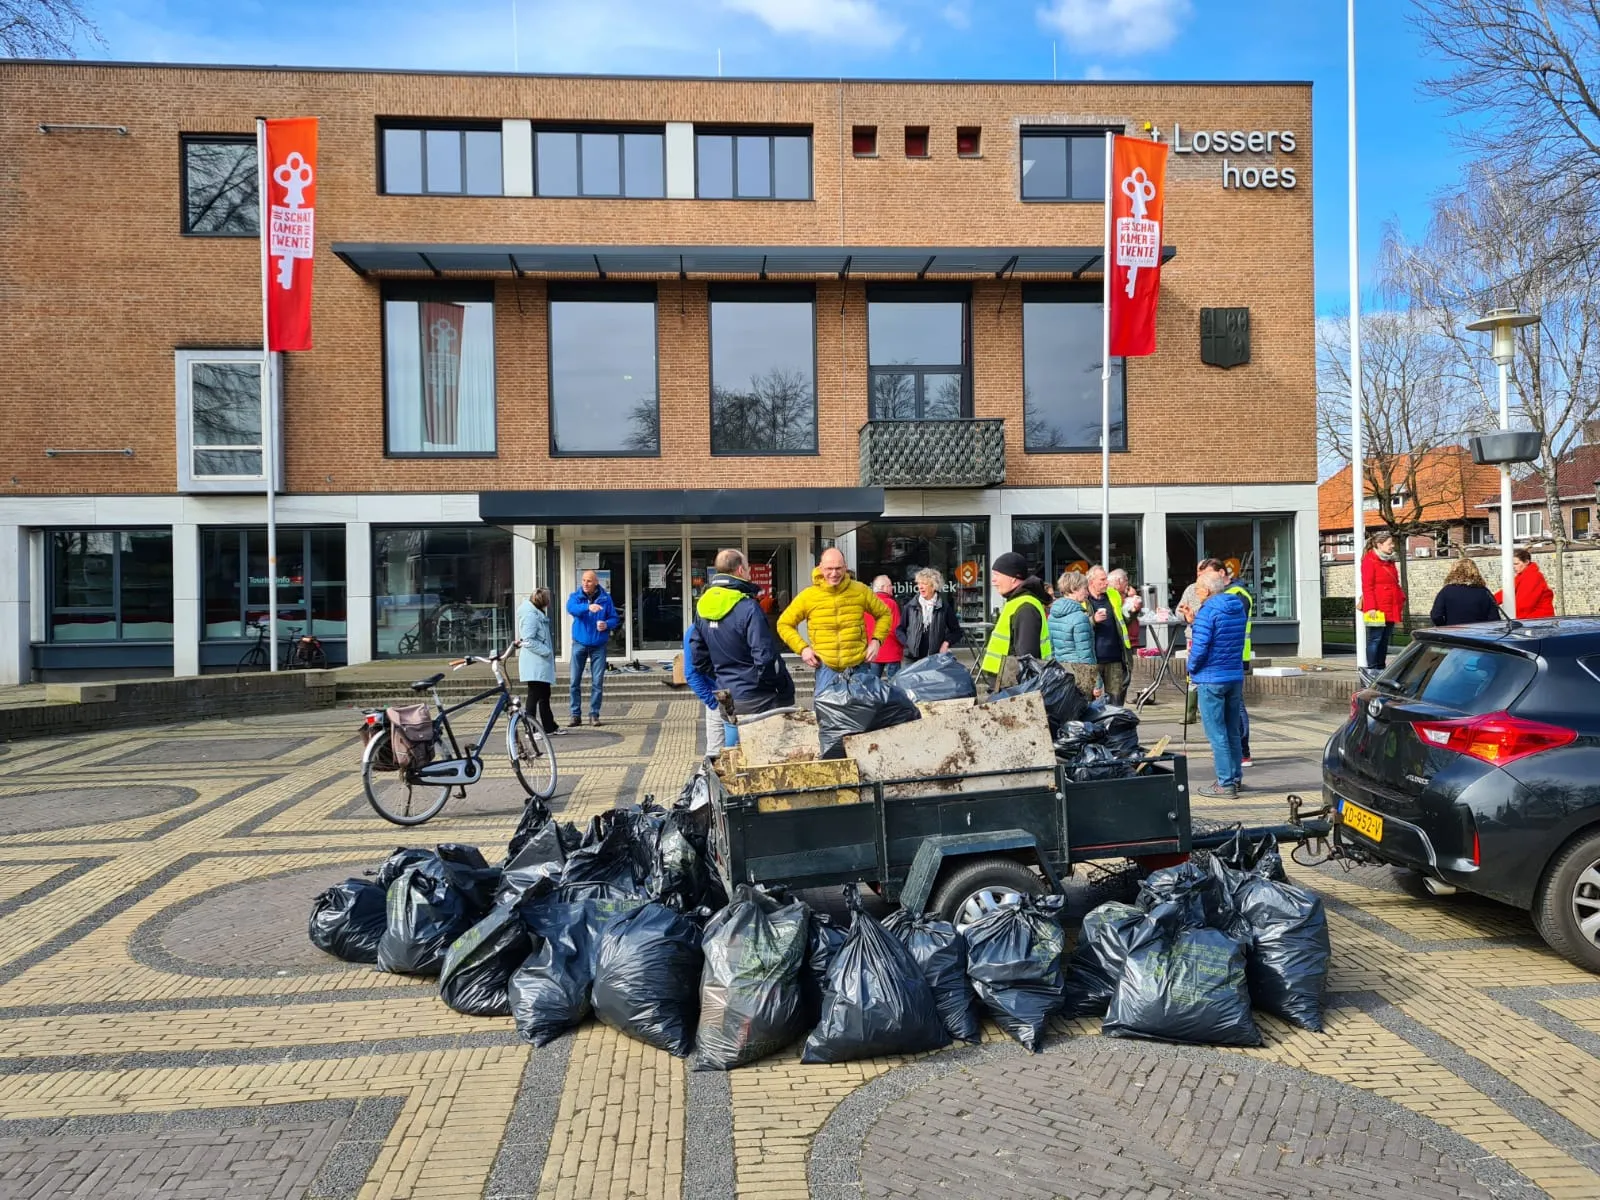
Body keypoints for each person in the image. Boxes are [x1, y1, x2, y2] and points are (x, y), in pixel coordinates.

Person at [690, 549, 795, 737]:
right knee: (765, 757)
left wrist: (723, 677)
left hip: (728, 696)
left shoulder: (702, 606)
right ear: (740, 571)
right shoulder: (748, 607)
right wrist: (776, 684)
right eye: (747, 569)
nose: (749, 573)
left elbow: (698, 657)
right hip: (760, 697)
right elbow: (765, 657)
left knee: (734, 754)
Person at [777, 547, 892, 694]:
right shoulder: (808, 596)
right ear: (820, 567)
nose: (834, 573)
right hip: (826, 667)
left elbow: (884, 614)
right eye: (829, 568)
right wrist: (803, 649)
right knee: (826, 714)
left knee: (862, 714)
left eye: (838, 568)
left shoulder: (860, 591)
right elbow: (784, 624)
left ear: (845, 567)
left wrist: (877, 641)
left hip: (858, 666)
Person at [1186, 561, 1249, 799]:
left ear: (1208, 590)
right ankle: (1235, 778)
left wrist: (1191, 668)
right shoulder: (1236, 606)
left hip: (1211, 677)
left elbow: (1200, 648)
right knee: (1232, 730)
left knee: (1217, 734)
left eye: (1199, 588)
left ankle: (1225, 783)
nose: (1197, 592)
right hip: (1233, 674)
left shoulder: (1208, 611)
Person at [979, 551, 1052, 683]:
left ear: (1013, 578)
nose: (993, 580)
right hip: (1006, 682)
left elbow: (1027, 657)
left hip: (1012, 686)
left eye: (997, 575)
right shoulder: (1016, 602)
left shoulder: (1025, 607)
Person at [565, 569, 618, 727]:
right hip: (579, 643)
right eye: (583, 581)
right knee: (574, 681)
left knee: (597, 682)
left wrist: (606, 624)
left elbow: (614, 618)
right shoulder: (576, 597)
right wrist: (588, 608)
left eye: (588, 581)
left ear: (596, 582)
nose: (585, 584)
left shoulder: (605, 598)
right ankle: (575, 715)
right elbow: (571, 608)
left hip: (598, 645)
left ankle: (594, 714)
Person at [1220, 563, 1256, 768]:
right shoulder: (1228, 592)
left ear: (1223, 574)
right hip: (1230, 655)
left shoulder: (1237, 594)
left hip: (1235, 655)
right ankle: (1235, 750)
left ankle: (1243, 751)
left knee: (1237, 704)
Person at [1048, 569, 1100, 699]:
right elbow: (1085, 655)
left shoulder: (1052, 615)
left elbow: (1052, 648)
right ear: (1074, 589)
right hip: (1079, 675)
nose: (1087, 592)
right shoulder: (1079, 618)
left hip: (1061, 672)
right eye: (1084, 588)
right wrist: (1096, 683)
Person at [1359, 533, 1406, 670]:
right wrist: (1371, 607)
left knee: (1384, 639)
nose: (1393, 546)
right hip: (1377, 608)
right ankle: (1373, 668)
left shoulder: (1389, 561)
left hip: (1391, 605)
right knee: (1375, 638)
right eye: (1390, 543)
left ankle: (1381, 667)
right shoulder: (1370, 561)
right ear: (1379, 545)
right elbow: (1368, 586)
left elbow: (1394, 583)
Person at [1086, 565, 1131, 705]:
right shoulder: (1083, 599)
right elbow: (1076, 624)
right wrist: (1093, 620)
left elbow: (1122, 621)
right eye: (1102, 579)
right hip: (1093, 659)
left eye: (1106, 579)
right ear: (1091, 581)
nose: (1106, 582)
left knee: (1116, 699)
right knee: (1092, 700)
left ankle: (1115, 725)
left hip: (1114, 657)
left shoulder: (1113, 594)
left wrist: (1133, 612)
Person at [897, 567, 963, 663]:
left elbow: (957, 631)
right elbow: (900, 629)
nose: (920, 587)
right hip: (911, 659)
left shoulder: (944, 607)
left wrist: (946, 643)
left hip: (935, 658)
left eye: (924, 583)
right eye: (919, 583)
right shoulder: (910, 606)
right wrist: (908, 643)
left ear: (933, 586)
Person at [517, 587, 559, 736]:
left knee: (544, 695)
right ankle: (530, 729)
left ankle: (549, 726)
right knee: (534, 695)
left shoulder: (536, 613)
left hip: (539, 663)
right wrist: (546, 651)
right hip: (534, 663)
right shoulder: (531, 615)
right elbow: (528, 639)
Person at [681, 627, 724, 760]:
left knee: (719, 752)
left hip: (738, 695)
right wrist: (712, 701)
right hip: (721, 696)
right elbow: (691, 673)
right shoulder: (696, 629)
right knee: (716, 754)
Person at [1431, 558, 1500, 625]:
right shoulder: (1484, 592)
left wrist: (1444, 627)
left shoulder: (1446, 591)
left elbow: (1436, 616)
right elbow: (1494, 619)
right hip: (1478, 634)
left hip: (1453, 633)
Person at [1493, 547, 1556, 619]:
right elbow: (1506, 593)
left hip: (1538, 620)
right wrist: (1489, 602)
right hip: (1534, 619)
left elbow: (1524, 605)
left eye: (1516, 564)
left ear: (1526, 562)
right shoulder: (1522, 576)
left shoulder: (1533, 577)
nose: (1513, 567)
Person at [865, 575, 904, 681]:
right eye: (890, 586)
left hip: (874, 650)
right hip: (892, 649)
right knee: (894, 682)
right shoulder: (891, 603)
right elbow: (896, 627)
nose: (892, 588)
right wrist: (904, 644)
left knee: (872, 682)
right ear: (883, 587)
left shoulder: (867, 603)